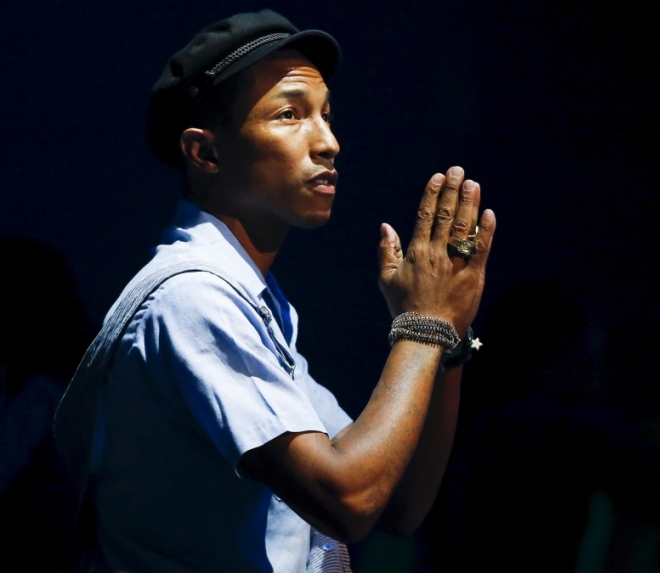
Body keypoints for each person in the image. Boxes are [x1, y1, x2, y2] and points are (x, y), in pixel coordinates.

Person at [53, 9, 495, 573]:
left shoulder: (253, 301)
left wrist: (447, 337)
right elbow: (348, 500)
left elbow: (397, 500)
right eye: (290, 114)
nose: (329, 142)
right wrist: (422, 325)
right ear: (205, 153)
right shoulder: (194, 299)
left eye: (327, 116)